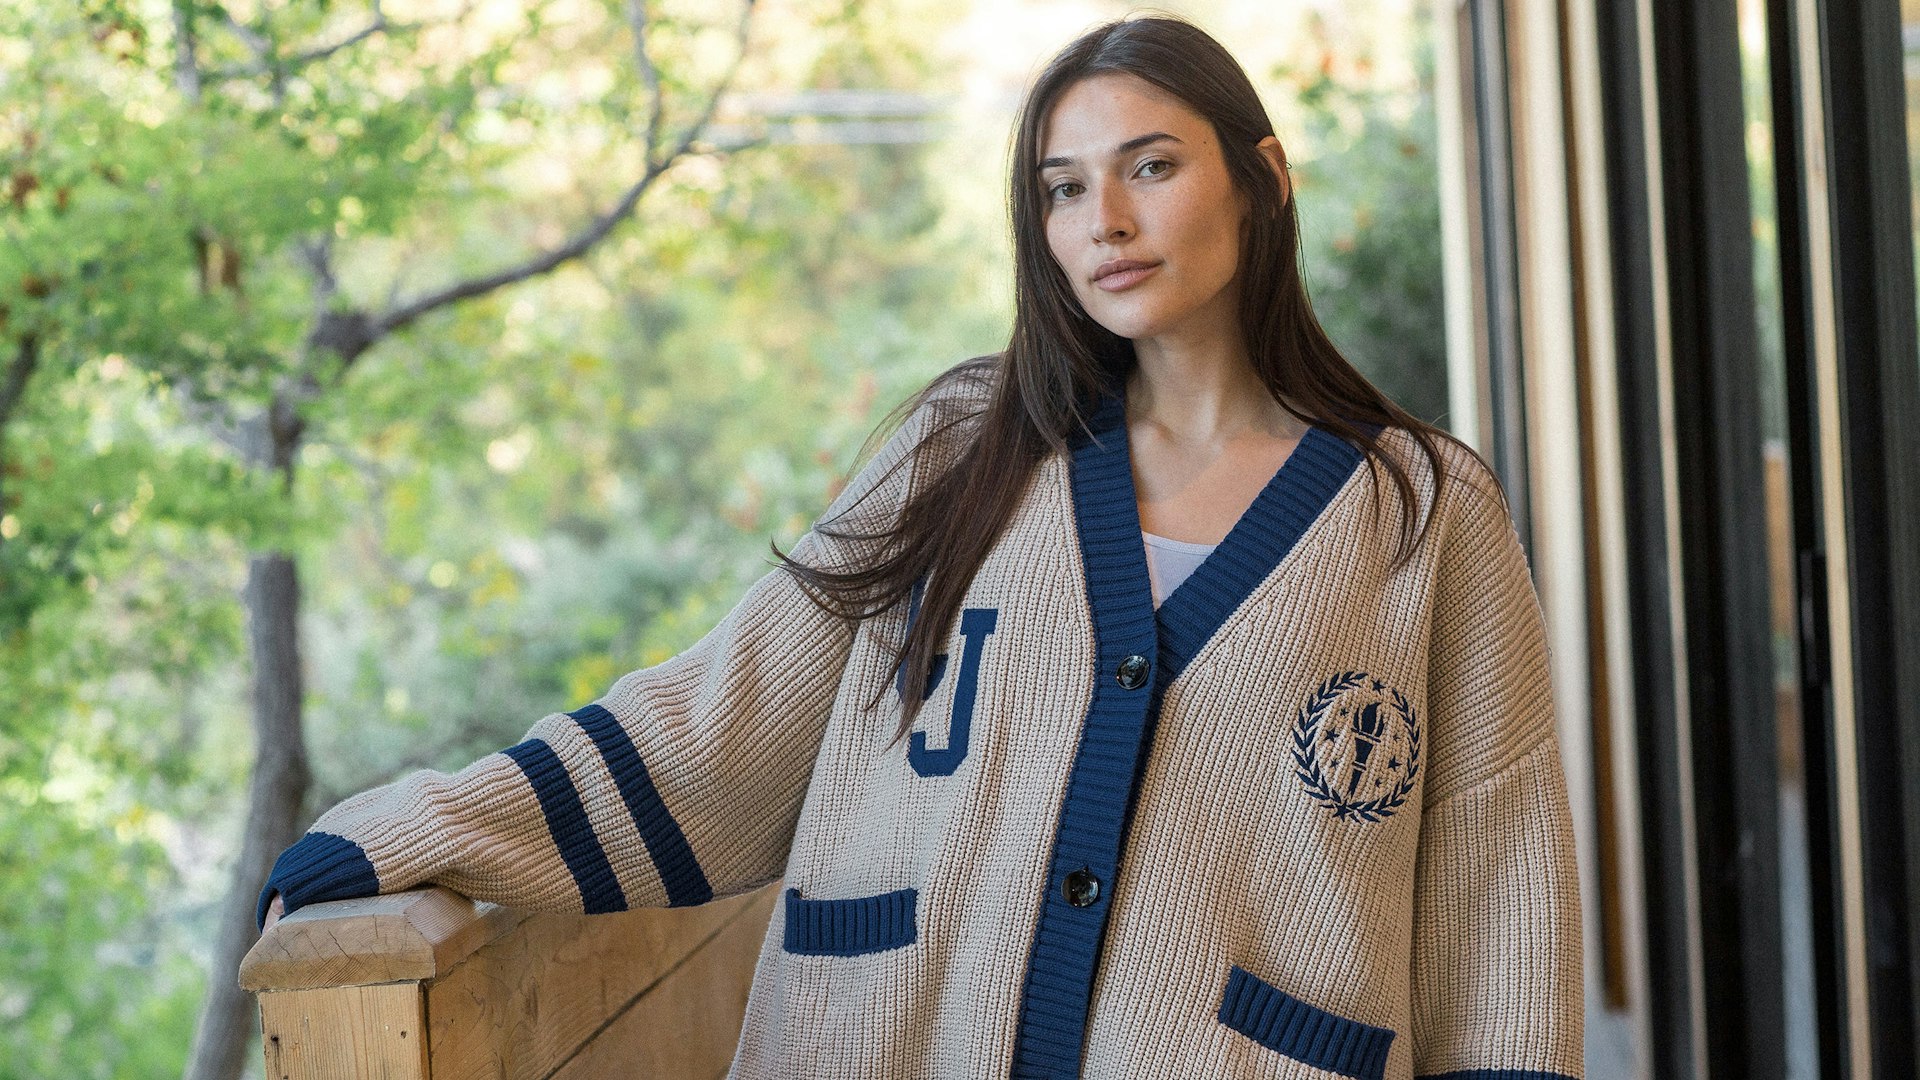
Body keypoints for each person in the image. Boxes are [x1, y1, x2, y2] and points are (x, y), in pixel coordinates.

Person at [258, 13, 1583, 1079]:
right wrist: (409, 830)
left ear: (1263, 178)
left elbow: (1503, 898)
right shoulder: (965, 449)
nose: (1105, 222)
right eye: (1064, 188)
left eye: (1151, 167)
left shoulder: (1423, 512)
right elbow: (721, 723)